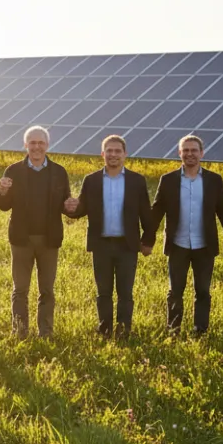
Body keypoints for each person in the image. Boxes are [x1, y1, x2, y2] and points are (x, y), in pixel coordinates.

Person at [141, 134, 223, 336]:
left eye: (194, 150)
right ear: (179, 153)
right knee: (175, 291)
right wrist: (147, 240)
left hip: (205, 246)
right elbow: (157, 210)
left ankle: (200, 330)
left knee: (202, 291)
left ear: (201, 153)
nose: (190, 154)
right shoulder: (168, 180)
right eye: (185, 150)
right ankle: (173, 330)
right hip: (178, 245)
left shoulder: (213, 180)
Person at [66, 134, 153, 338]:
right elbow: (82, 209)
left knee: (125, 293)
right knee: (103, 292)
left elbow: (146, 214)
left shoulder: (137, 181)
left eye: (117, 151)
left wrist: (148, 241)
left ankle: (124, 331)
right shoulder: (92, 180)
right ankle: (104, 330)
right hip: (101, 245)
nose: (113, 155)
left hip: (127, 245)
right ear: (102, 154)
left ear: (125, 155)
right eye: (109, 151)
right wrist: (70, 208)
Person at [0, 126, 73, 338]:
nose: (37, 147)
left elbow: (66, 204)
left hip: (49, 240)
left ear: (47, 146)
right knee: (20, 289)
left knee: (46, 289)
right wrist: (1, 191)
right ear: (25, 145)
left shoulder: (59, 172)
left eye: (41, 143)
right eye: (32, 142)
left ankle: (46, 332)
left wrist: (72, 207)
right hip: (21, 239)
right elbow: (2, 205)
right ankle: (20, 331)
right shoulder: (13, 171)